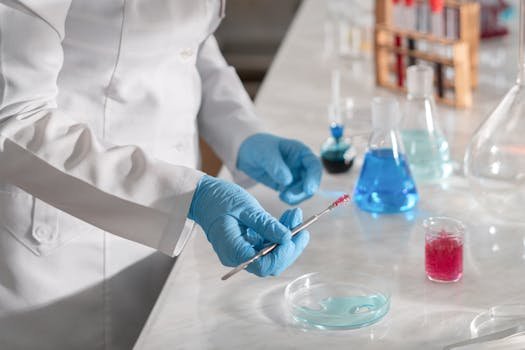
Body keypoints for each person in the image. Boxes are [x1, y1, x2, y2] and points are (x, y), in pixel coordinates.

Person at [0, 1, 322, 349]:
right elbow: (16, 118)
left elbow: (186, 44)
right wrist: (181, 196)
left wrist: (240, 128)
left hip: (174, 226)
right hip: (67, 242)